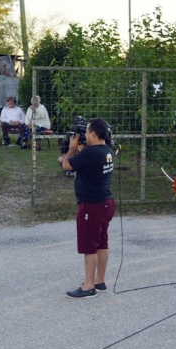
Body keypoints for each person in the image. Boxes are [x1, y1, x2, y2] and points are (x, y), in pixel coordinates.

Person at [61, 118, 115, 299]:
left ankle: (88, 286)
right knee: (101, 242)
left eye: (86, 132)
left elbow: (67, 165)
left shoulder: (90, 154)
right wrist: (81, 150)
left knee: (89, 246)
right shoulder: (107, 150)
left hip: (91, 205)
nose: (83, 135)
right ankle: (100, 280)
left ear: (93, 134)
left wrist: (71, 148)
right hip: (106, 202)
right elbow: (89, 164)